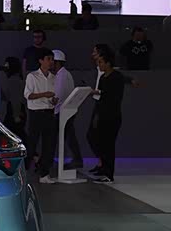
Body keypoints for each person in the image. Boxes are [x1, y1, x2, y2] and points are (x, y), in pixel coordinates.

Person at [87, 51, 124, 183]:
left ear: (108, 63)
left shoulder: (117, 77)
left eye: (101, 62)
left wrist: (100, 93)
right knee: (101, 143)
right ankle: (104, 168)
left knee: (109, 145)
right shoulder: (103, 78)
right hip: (103, 115)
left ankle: (109, 173)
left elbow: (114, 96)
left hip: (112, 116)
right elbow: (102, 97)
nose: (99, 65)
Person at [24, 48, 58, 184]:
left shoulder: (53, 78)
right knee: (32, 144)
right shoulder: (32, 76)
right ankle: (24, 171)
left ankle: (44, 173)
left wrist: (53, 100)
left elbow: (53, 96)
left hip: (49, 112)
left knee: (49, 144)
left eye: (52, 59)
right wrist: (44, 94)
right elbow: (28, 95)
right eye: (48, 59)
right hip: (36, 113)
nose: (51, 62)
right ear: (41, 61)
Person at [52, 49, 83, 170]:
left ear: (57, 62)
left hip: (62, 111)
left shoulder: (62, 75)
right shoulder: (65, 74)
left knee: (67, 137)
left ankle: (75, 160)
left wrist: (51, 104)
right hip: (66, 110)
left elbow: (58, 95)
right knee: (69, 137)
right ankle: (75, 159)